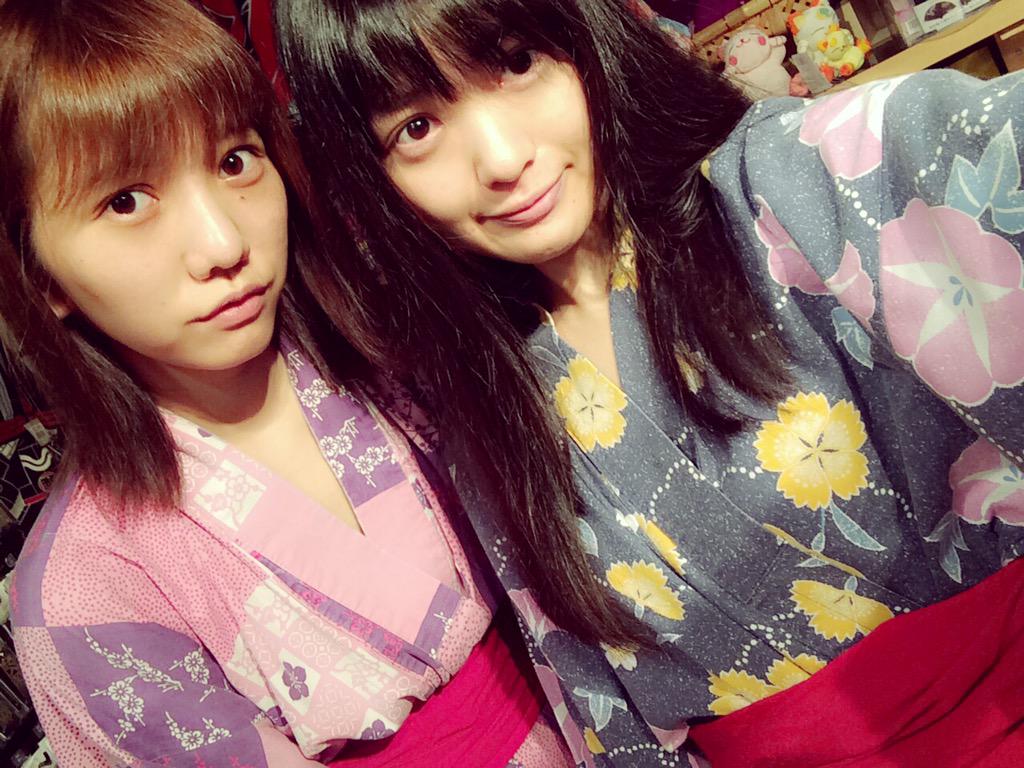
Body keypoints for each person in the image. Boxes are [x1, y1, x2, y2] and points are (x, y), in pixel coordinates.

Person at [272, 0, 1024, 765]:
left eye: (517, 61)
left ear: (584, 35)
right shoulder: (487, 391)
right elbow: (598, 693)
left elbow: (975, 155)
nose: (501, 158)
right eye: (417, 128)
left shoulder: (790, 180)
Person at [1, 1, 573, 765]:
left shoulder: (401, 344)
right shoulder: (86, 586)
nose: (223, 244)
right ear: (40, 276)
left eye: (235, 161)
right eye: (126, 201)